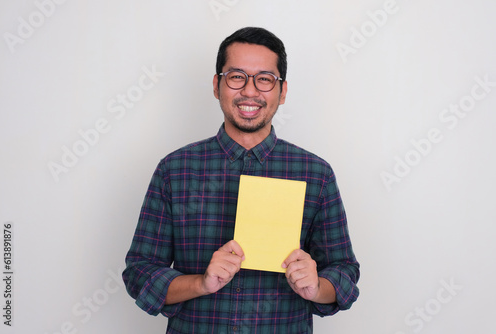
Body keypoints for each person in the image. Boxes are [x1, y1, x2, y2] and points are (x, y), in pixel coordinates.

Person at [123, 26, 360, 333]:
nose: (250, 91)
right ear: (216, 85)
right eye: (236, 76)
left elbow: (344, 272)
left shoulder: (316, 173)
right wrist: (200, 283)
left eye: (264, 79)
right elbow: (139, 273)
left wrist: (317, 287)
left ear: (282, 91)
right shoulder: (175, 170)